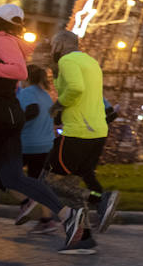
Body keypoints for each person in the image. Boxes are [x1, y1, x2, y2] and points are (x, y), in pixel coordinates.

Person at [0, 5, 86, 251]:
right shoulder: (7, 43)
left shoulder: (3, 41)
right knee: (13, 177)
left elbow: (18, 71)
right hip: (6, 116)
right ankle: (68, 215)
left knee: (12, 177)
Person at [44, 30, 119, 248]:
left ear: (61, 45)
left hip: (78, 131)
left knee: (46, 178)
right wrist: (56, 71)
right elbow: (75, 89)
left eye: (53, 44)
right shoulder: (90, 62)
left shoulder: (68, 60)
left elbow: (76, 89)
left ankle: (99, 198)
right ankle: (83, 238)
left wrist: (58, 105)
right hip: (97, 131)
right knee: (73, 179)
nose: (51, 48)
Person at [8, 65, 57, 225]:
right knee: (37, 183)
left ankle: (27, 203)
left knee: (4, 177)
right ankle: (46, 220)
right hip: (45, 145)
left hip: (27, 144)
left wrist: (13, 123)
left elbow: (32, 111)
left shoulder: (27, 93)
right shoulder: (45, 95)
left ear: (25, 76)